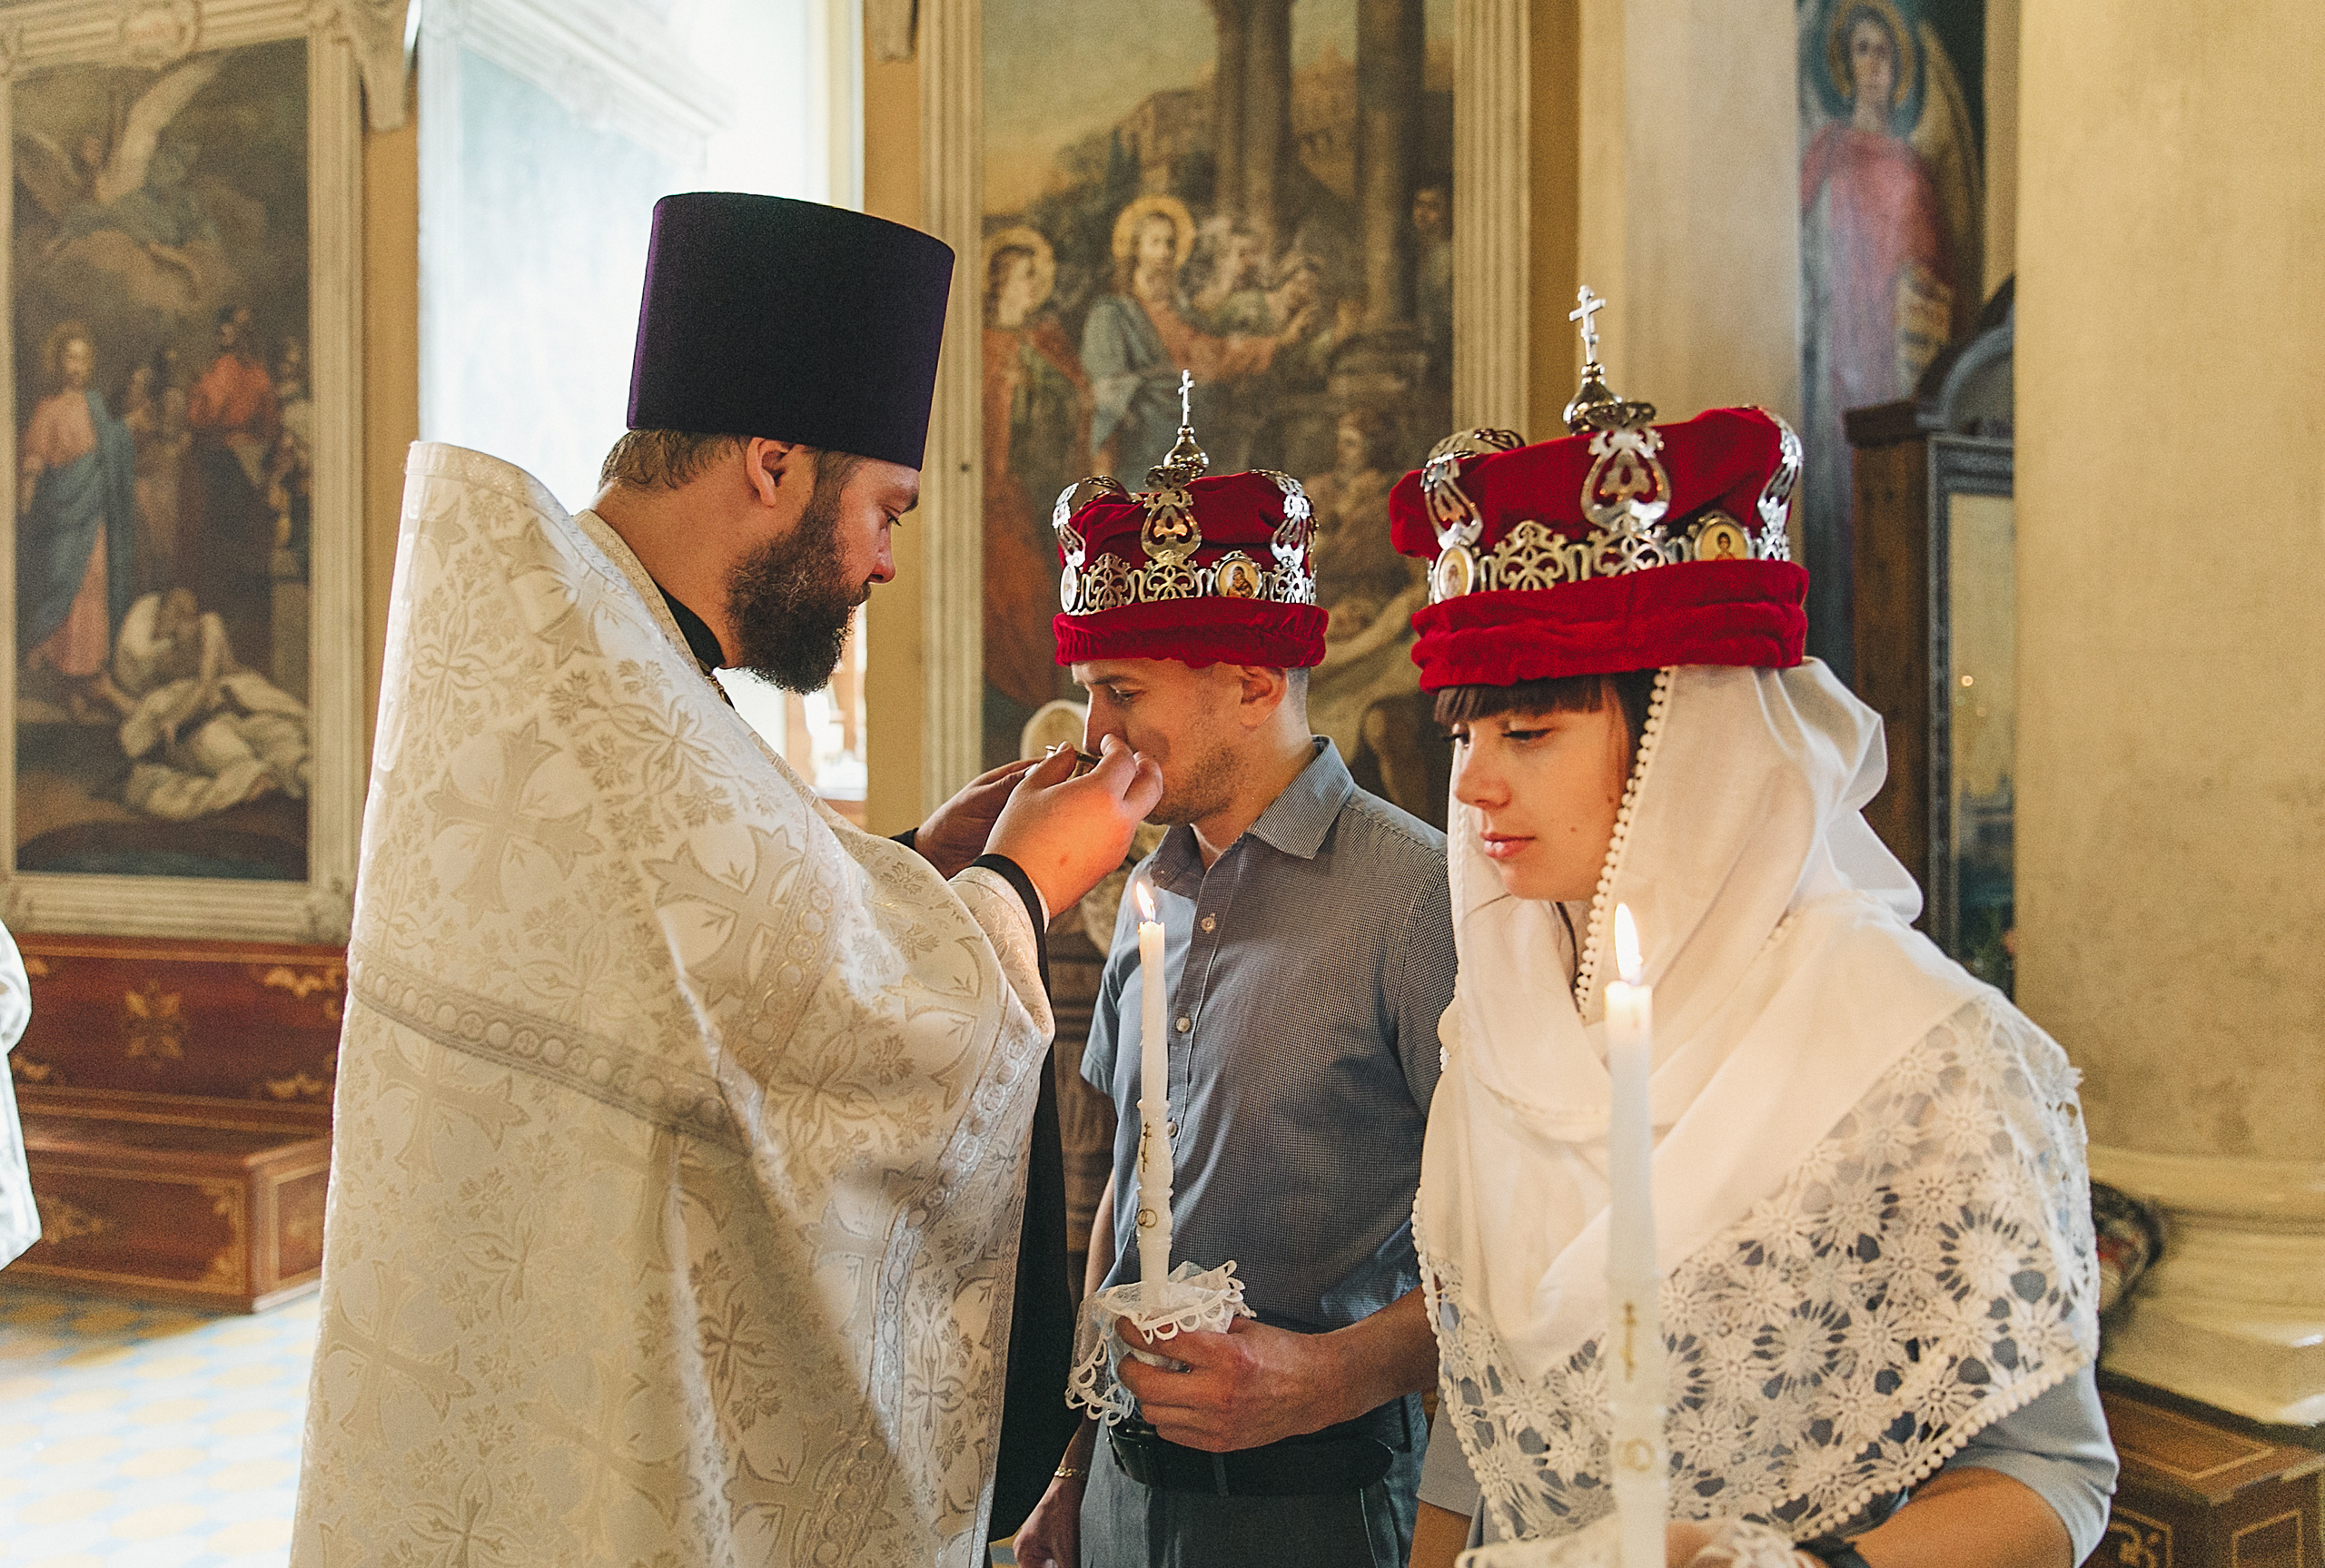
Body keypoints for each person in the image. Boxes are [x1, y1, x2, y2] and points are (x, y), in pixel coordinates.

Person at [291, 193, 1163, 1568]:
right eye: (884, 506)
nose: (885, 558)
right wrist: (1015, 891)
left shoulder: (584, 650)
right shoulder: (608, 685)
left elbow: (705, 968)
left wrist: (910, 877)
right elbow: (837, 1037)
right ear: (772, 461)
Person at [1386, 345, 2113, 1566]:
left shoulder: (1919, 1052)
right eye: (1463, 732)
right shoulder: (1502, 1026)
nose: (1477, 784)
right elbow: (1484, 1430)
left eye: (1528, 728)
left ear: (1695, 745)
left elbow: (2055, 1478)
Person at [1011, 406, 1458, 1568]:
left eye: (1123, 692)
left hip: (1323, 1506)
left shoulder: (1418, 898)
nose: (1095, 735)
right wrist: (1076, 1457)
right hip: (1124, 1493)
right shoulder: (1146, 881)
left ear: (1254, 680)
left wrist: (1320, 1376)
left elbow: (1523, 1252)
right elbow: (1126, 1184)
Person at [1082, 196, 1313, 483]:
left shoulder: (1183, 316)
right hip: (1138, 450)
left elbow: (1216, 356)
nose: (1165, 253)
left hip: (1190, 445)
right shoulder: (1112, 314)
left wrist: (1277, 343)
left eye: (1170, 243)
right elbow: (1108, 391)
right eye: (1155, 243)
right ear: (1135, 249)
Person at [983, 225, 1093, 754]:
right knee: (1017, 601)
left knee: (1046, 600)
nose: (1036, 289)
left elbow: (1080, 393)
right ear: (1000, 278)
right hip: (993, 501)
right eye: (1027, 277)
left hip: (1041, 495)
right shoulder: (976, 348)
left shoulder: (1044, 342)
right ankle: (1025, 721)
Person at [17, 321, 137, 720]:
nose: (77, 366)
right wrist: (27, 490)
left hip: (94, 519)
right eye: (70, 357)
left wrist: (130, 430)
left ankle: (92, 677)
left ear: (90, 365)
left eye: (84, 359)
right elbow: (35, 458)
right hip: (62, 516)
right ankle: (68, 681)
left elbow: (117, 444)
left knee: (93, 591)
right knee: (63, 590)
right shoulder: (47, 410)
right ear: (58, 361)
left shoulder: (98, 408)